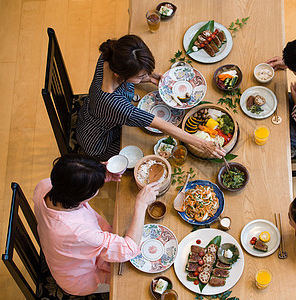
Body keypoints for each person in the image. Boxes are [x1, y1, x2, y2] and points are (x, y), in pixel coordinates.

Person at [76, 34, 225, 161]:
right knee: (149, 155)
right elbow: (159, 124)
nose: (146, 77)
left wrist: (150, 77)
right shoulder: (113, 103)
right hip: (99, 141)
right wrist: (202, 144)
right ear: (120, 74)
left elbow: (132, 71)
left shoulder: (110, 56)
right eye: (140, 76)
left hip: (91, 114)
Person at [33, 154, 159, 296]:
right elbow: (128, 249)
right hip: (80, 278)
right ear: (82, 196)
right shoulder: (77, 233)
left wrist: (94, 175)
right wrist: (141, 205)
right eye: (95, 189)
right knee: (138, 283)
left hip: (63, 253)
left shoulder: (45, 186)